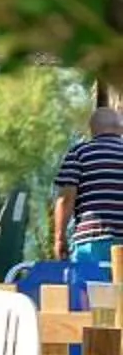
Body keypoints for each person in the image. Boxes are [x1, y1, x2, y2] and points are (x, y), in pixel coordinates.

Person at [52, 104, 123, 270]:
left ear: (92, 131)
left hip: (93, 240)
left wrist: (59, 238)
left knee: (91, 294)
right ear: (119, 129)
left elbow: (66, 199)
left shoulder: (79, 153)